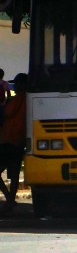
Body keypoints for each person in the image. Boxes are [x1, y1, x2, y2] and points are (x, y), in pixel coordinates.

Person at [0, 73, 27, 214]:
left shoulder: (18, 99)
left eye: (17, 84)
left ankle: (9, 199)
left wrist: (6, 103)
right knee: (15, 174)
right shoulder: (28, 99)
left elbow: (7, 112)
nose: (15, 86)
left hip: (9, 141)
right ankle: (10, 199)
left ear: (22, 85)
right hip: (19, 141)